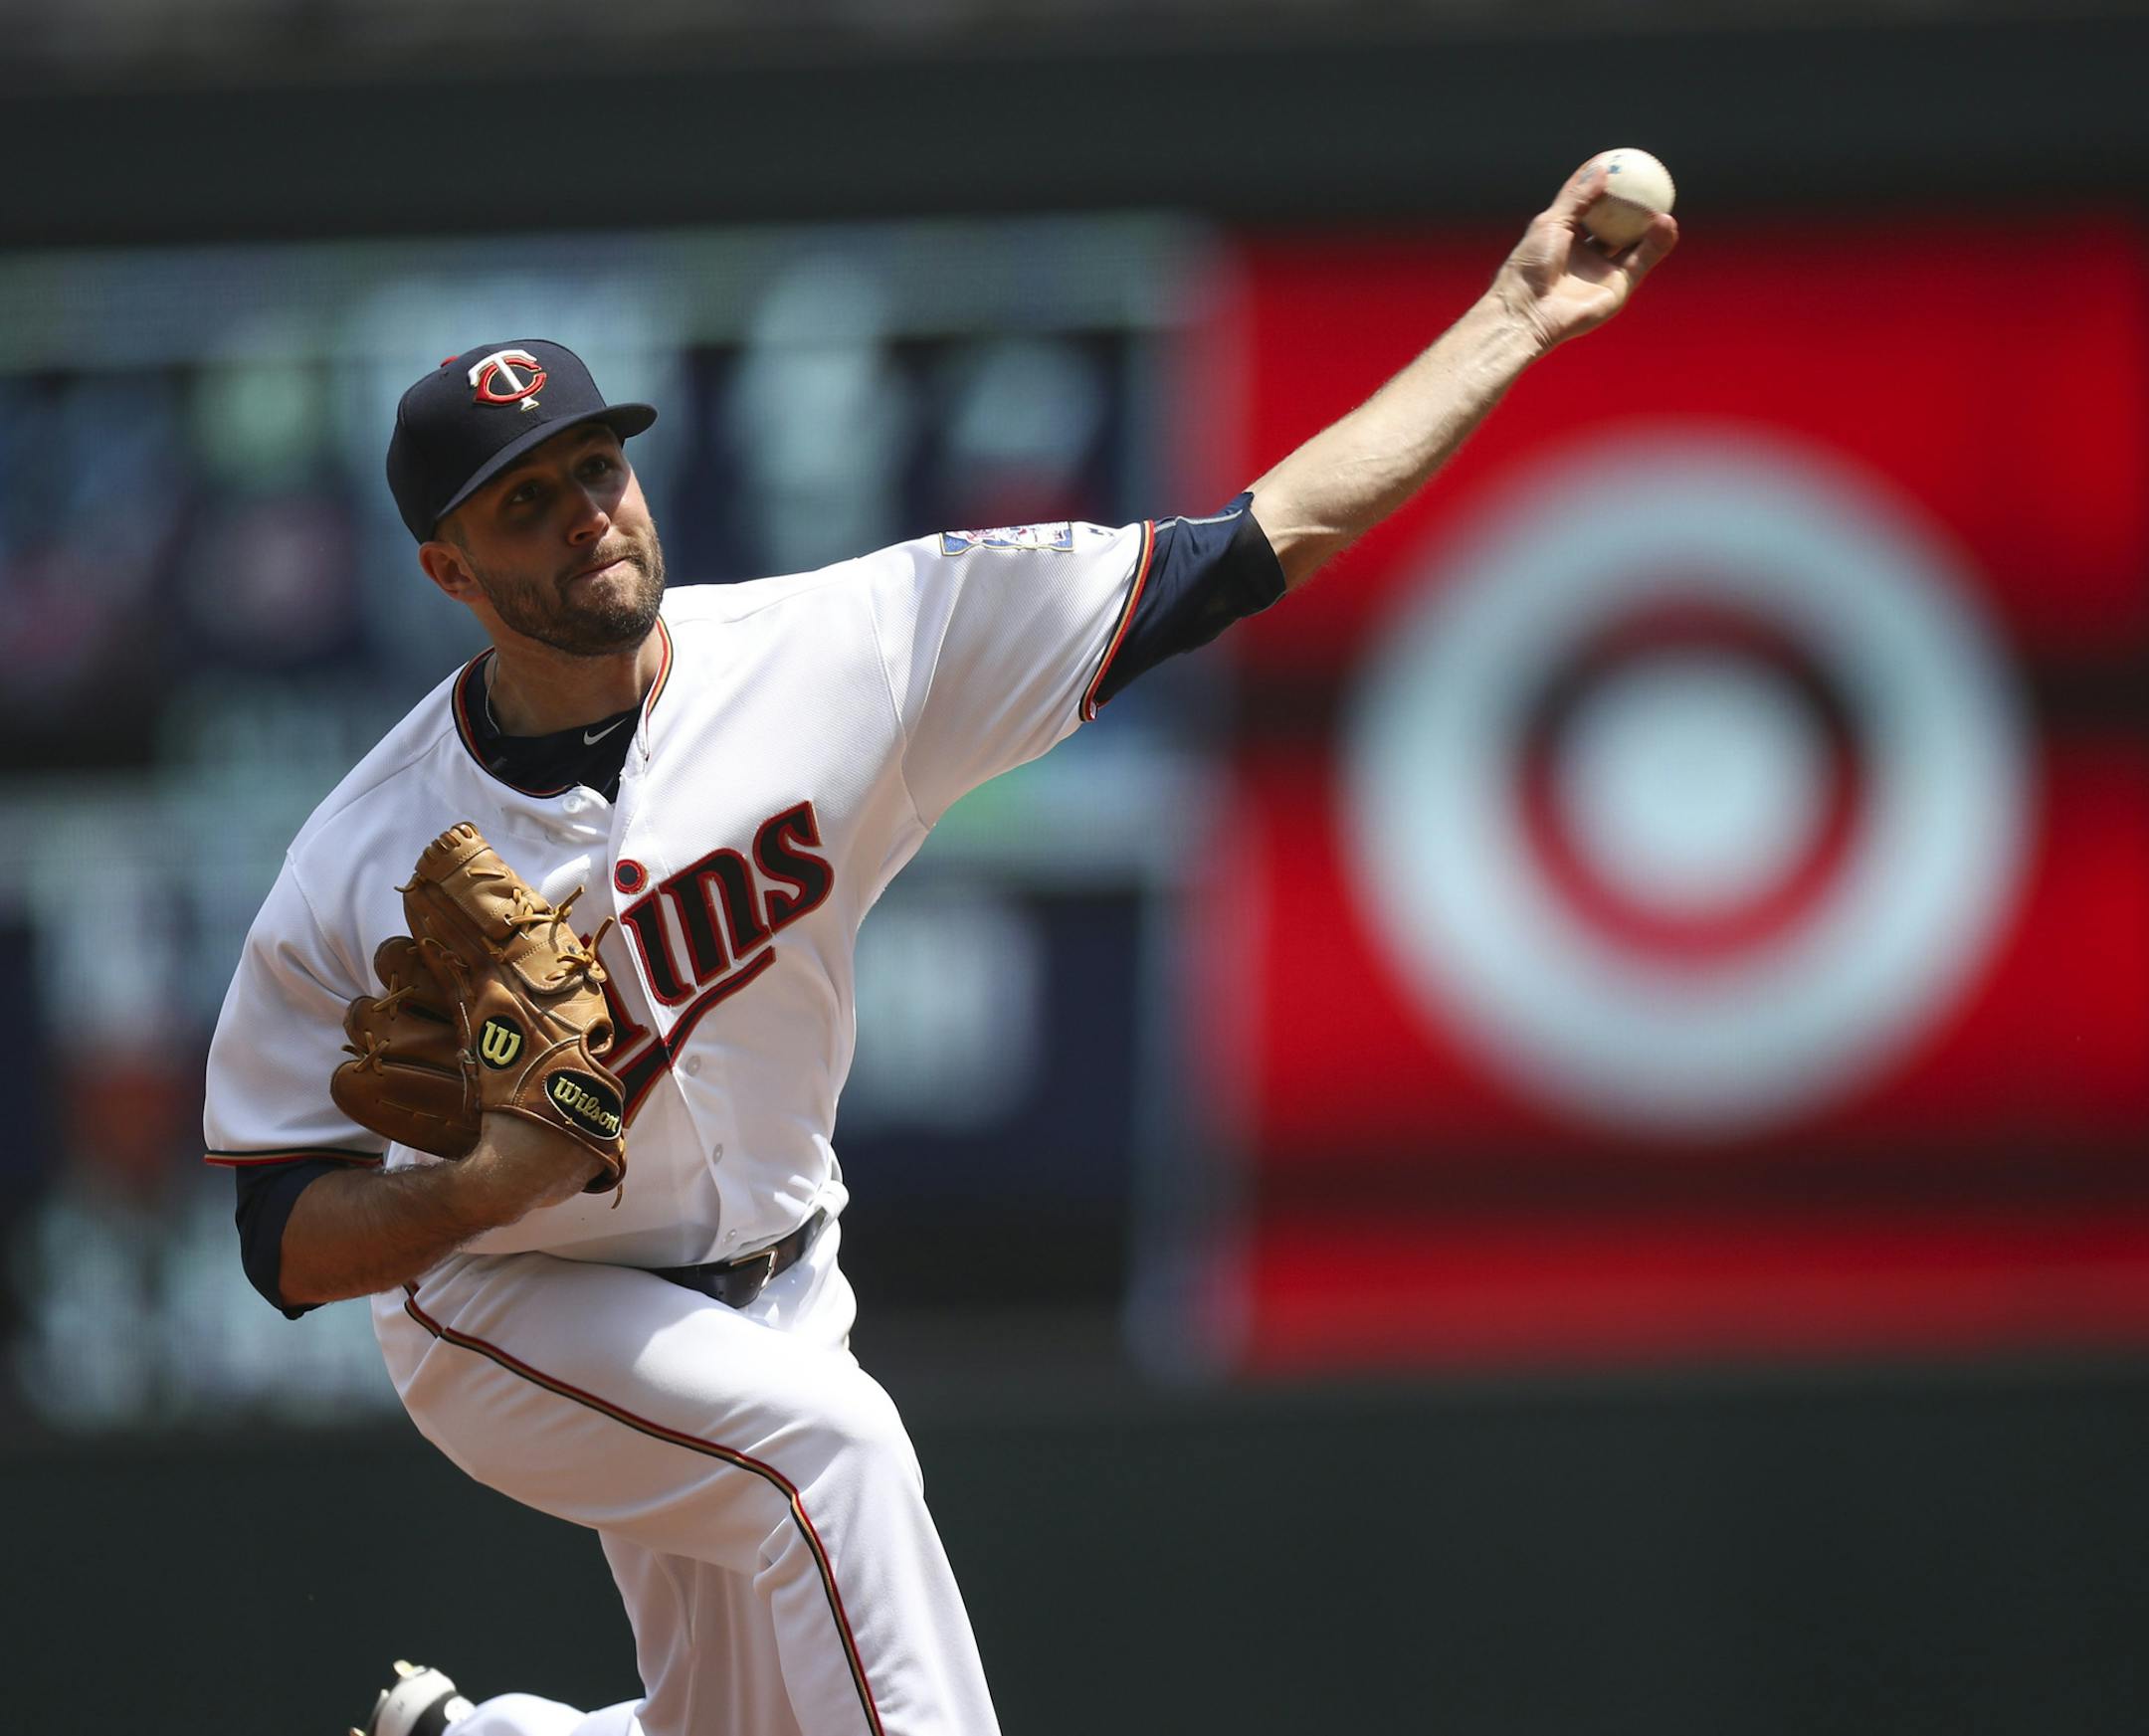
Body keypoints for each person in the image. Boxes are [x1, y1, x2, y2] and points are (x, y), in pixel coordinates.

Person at [203, 161, 1675, 1736]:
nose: (587, 517)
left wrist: (1510, 320)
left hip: (776, 1271)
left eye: (595, 470)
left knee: (755, 1687)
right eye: (525, 503)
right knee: (831, 1455)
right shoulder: (362, 859)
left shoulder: (849, 650)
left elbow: (1251, 543)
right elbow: (279, 1231)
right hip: (507, 1306)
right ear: (448, 571)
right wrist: (474, 1190)